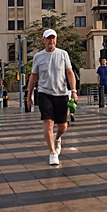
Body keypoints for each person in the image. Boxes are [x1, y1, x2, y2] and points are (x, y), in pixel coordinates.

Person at [26, 29, 78, 166]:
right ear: (43, 40)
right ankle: (53, 152)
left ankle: (57, 137)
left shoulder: (63, 54)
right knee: (48, 122)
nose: (51, 41)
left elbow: (69, 72)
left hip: (61, 93)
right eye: (48, 38)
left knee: (63, 125)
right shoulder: (38, 57)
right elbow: (33, 76)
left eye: (53, 38)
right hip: (44, 93)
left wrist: (73, 90)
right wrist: (29, 95)